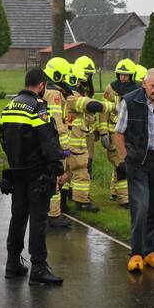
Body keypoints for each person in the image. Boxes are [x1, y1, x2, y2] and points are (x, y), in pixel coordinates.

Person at [0, 68, 66, 286]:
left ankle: (12, 263)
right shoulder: (38, 108)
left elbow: (3, 138)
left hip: (17, 171)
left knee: (18, 218)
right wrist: (58, 169)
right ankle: (38, 267)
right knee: (38, 220)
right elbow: (48, 142)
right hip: (37, 173)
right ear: (41, 85)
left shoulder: (9, 106)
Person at [114, 68, 154, 272]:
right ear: (144, 84)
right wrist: (127, 157)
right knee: (141, 206)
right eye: (153, 86)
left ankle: (152, 251)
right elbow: (119, 133)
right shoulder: (130, 101)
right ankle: (136, 253)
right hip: (138, 163)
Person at [63, 65, 113, 212]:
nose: (82, 84)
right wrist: (114, 106)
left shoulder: (60, 95)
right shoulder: (72, 97)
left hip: (65, 142)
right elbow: (91, 105)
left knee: (65, 172)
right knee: (81, 172)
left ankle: (63, 203)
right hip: (75, 143)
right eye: (80, 81)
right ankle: (81, 201)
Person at [99, 58, 137, 206]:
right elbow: (104, 112)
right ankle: (125, 200)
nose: (123, 77)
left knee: (122, 164)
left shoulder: (137, 90)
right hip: (114, 133)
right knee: (121, 166)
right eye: (120, 74)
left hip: (130, 133)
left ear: (131, 76)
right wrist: (103, 132)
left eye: (126, 75)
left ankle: (115, 192)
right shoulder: (111, 88)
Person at [42, 57, 74, 229]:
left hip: (42, 141)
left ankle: (45, 212)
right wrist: (65, 147)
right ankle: (53, 215)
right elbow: (57, 122)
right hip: (55, 143)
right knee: (55, 178)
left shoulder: (43, 87)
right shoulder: (54, 93)